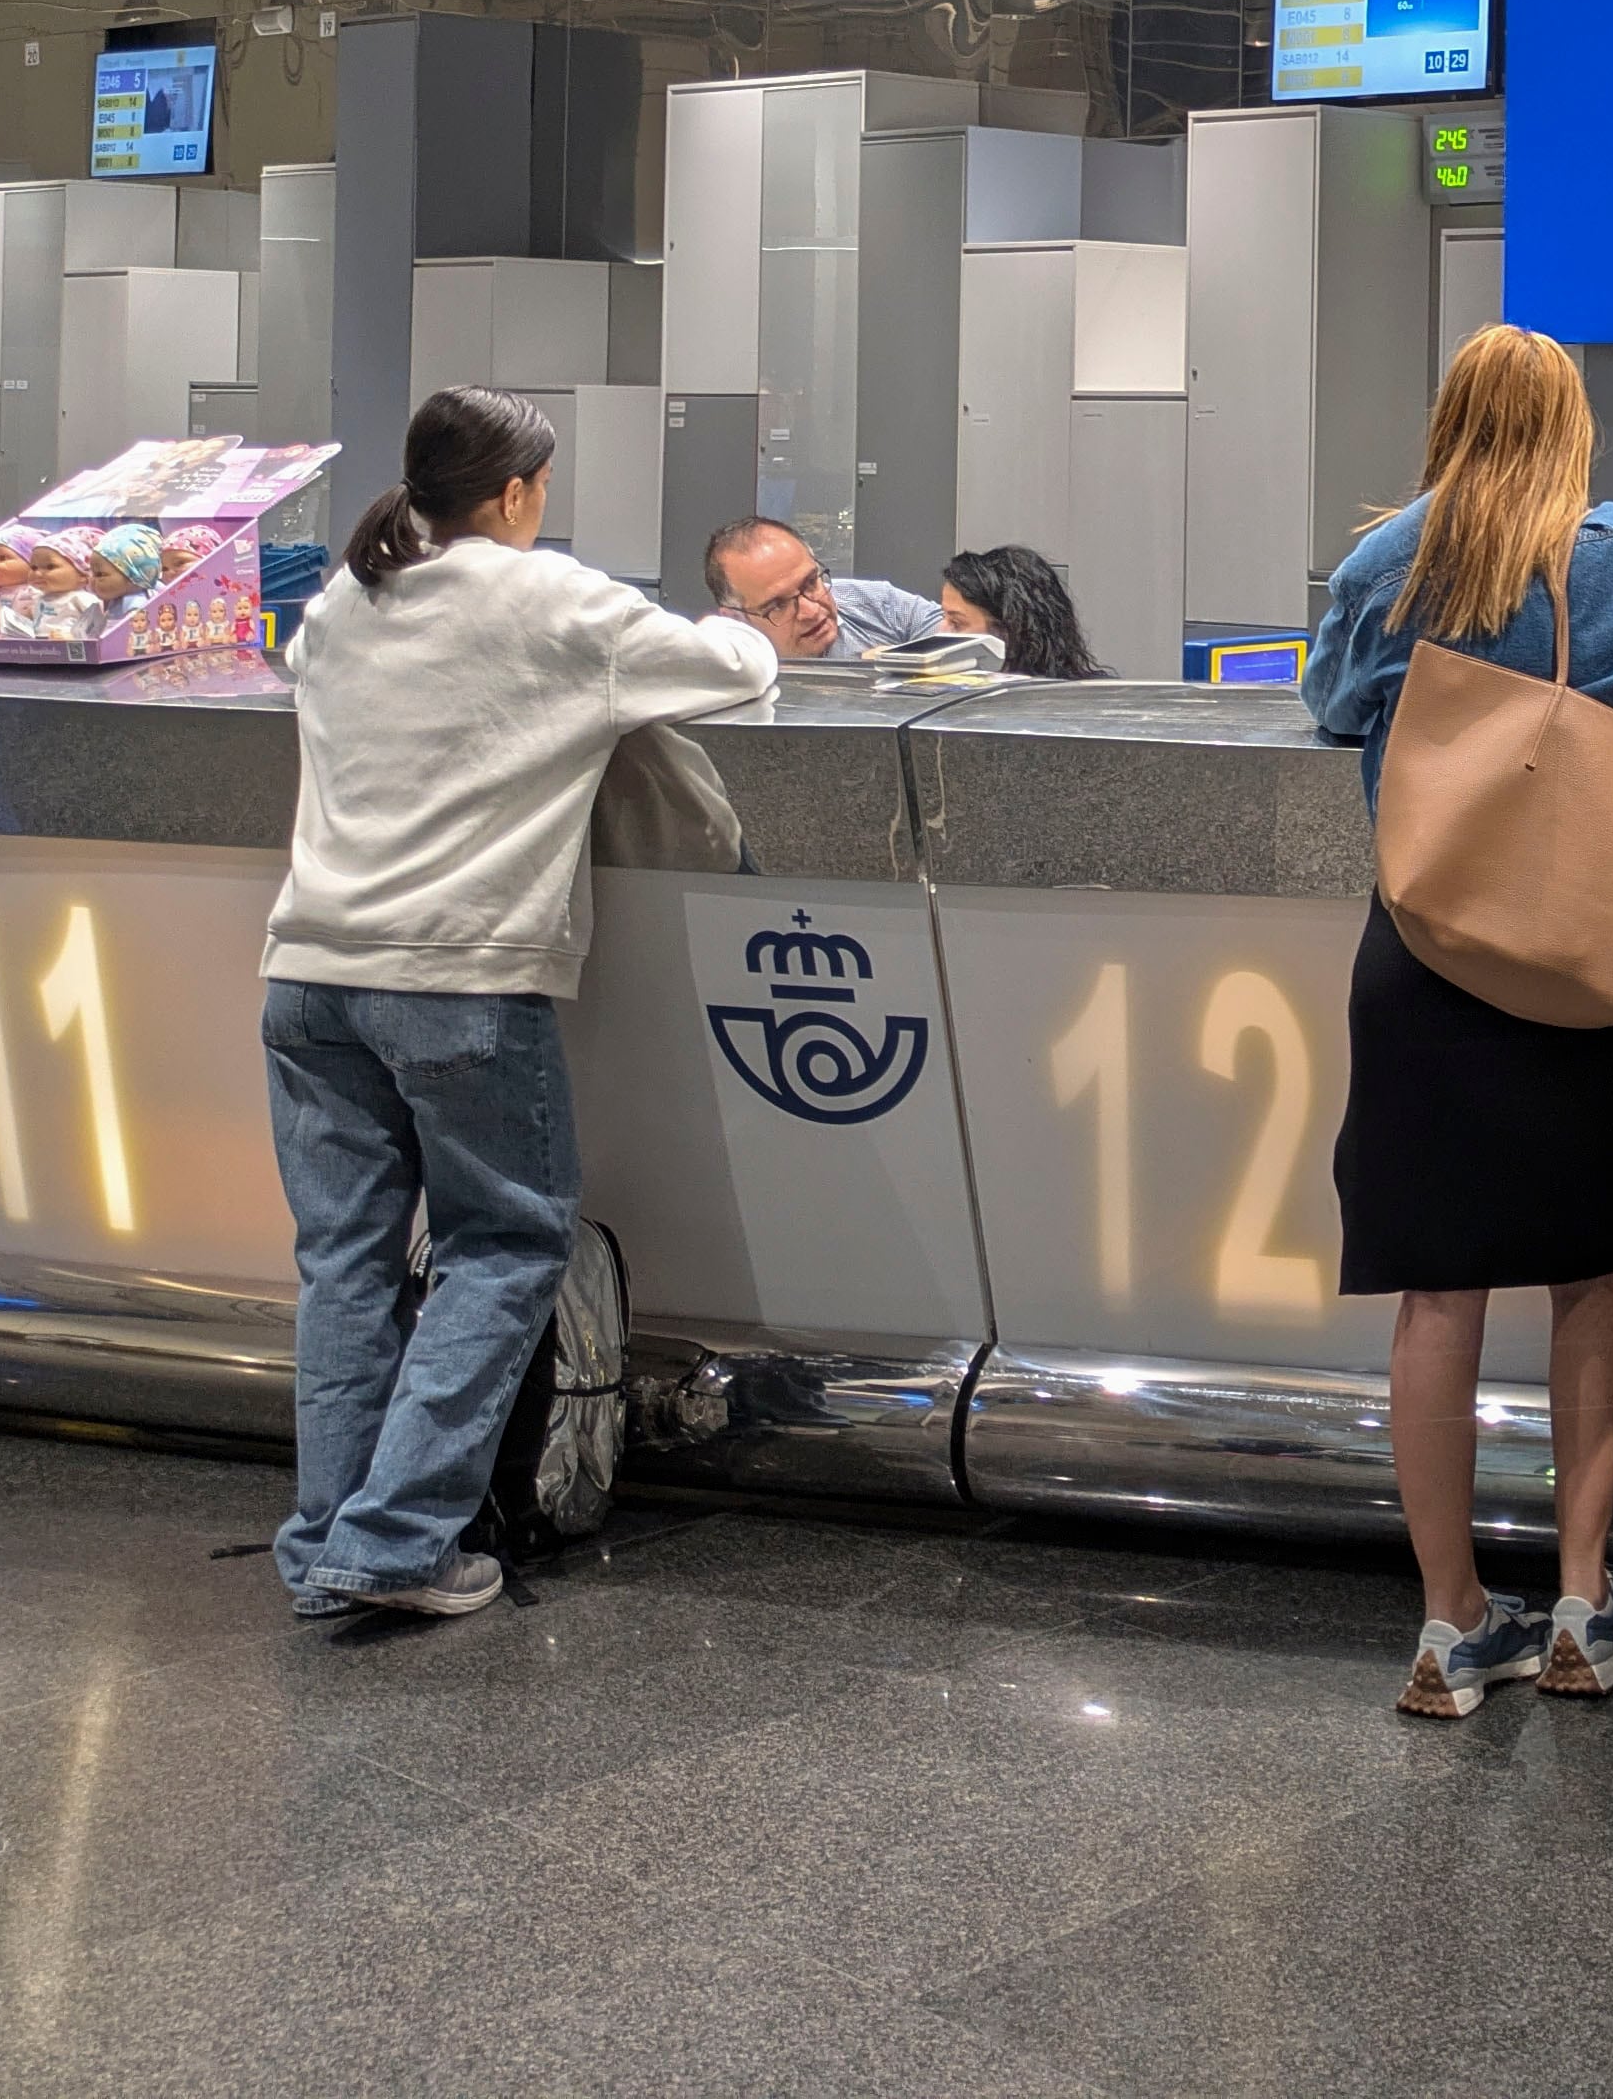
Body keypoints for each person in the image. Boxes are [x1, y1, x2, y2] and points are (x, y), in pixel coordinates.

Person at [258, 386, 781, 1617]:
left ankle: (327, 1538)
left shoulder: (344, 598)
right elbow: (737, 667)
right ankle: (395, 1544)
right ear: (513, 494)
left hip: (307, 977)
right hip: (461, 980)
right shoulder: (553, 600)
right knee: (499, 1247)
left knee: (345, 1265)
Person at [1303, 325, 1613, 1722]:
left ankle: (1447, 1623)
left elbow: (1329, 710)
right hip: (1577, 954)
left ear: (1449, 419)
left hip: (1425, 952)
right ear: (1577, 426)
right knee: (1586, 1280)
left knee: (1439, 1295)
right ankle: (1582, 1595)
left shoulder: (1391, 563)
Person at [706, 515, 944, 656]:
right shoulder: (724, 677)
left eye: (810, 583)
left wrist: (898, 664)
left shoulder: (871, 602)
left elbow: (955, 633)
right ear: (736, 620)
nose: (811, 611)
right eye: (777, 605)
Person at [937, 543, 1109, 681]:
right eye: (942, 616)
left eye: (957, 624)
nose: (940, 631)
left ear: (1009, 632)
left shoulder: (1093, 702)